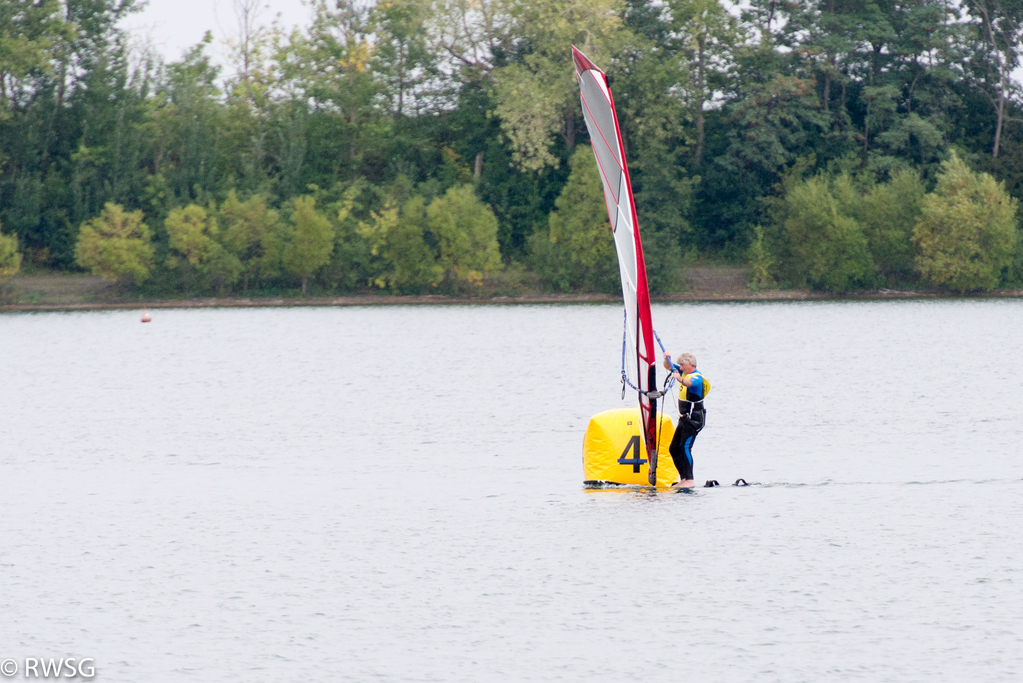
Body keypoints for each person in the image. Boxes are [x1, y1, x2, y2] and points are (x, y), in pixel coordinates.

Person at [662, 352, 710, 488]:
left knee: (685, 447)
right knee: (673, 448)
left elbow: (689, 383)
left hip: (695, 419)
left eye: (682, 365)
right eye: (680, 365)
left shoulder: (697, 377)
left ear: (690, 364)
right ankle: (683, 478)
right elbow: (668, 366)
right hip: (684, 419)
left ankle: (690, 480)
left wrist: (679, 378)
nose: (680, 367)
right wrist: (667, 358)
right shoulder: (683, 372)